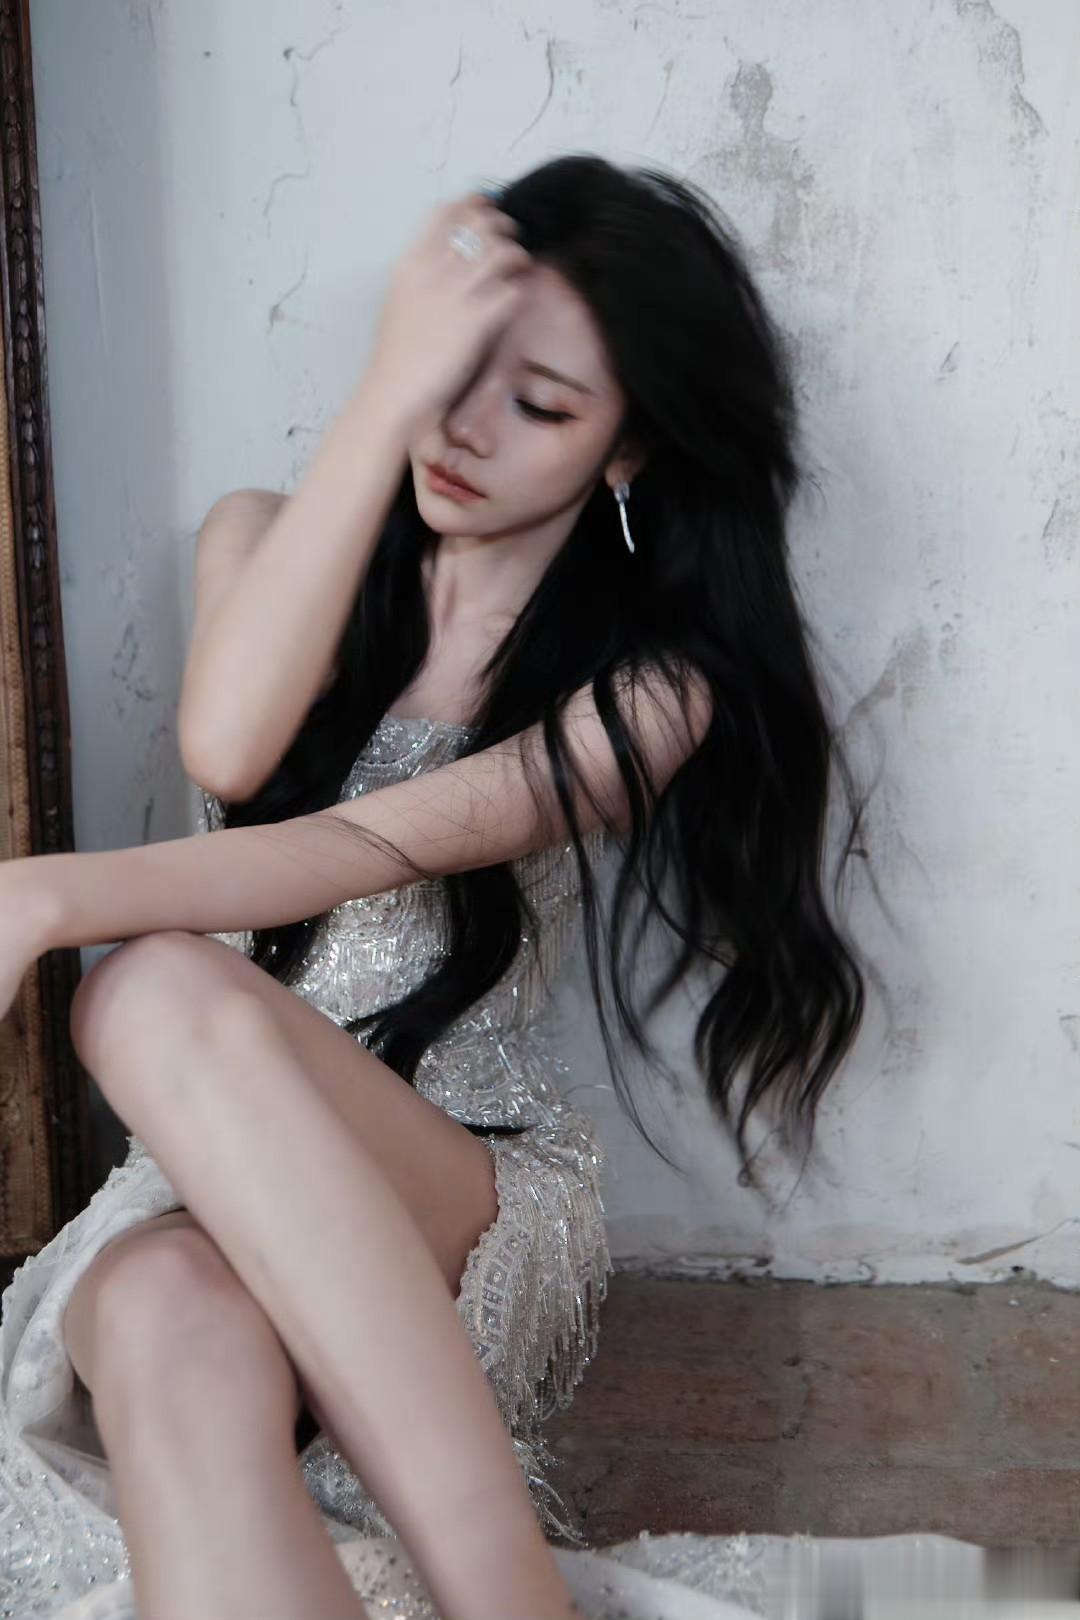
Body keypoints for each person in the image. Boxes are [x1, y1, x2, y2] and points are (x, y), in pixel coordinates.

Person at [0, 153, 871, 1619]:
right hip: (203, 1175)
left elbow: (367, 846)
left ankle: (504, 1597)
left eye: (540, 405)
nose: (463, 431)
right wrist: (383, 395)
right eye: (451, 371)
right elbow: (230, 741)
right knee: (158, 1309)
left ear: (629, 451)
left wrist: (44, 897)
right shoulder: (257, 540)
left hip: (458, 1191)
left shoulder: (651, 690)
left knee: (147, 987)